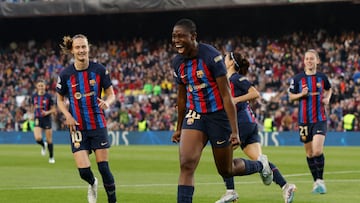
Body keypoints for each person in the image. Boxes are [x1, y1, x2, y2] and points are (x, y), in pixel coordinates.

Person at [171, 18, 273, 203]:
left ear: (193, 36)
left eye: (180, 36)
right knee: (186, 165)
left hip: (218, 116)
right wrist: (178, 127)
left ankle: (260, 165)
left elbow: (226, 96)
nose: (176, 40)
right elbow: (181, 97)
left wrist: (234, 131)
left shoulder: (211, 56)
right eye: (173, 36)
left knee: (226, 170)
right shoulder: (177, 62)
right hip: (196, 114)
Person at [215, 52, 296, 203]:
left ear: (231, 63)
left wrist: (235, 100)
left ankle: (230, 191)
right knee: (259, 160)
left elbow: (255, 93)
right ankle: (286, 186)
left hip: (241, 124)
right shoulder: (228, 80)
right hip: (249, 124)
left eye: (225, 58)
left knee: (222, 156)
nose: (222, 61)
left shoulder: (236, 78)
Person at [57, 34, 117, 203]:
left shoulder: (99, 70)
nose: (81, 50)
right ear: (72, 50)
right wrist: (67, 115)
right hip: (77, 127)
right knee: (84, 172)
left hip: (97, 124)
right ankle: (92, 183)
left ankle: (113, 200)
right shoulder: (66, 74)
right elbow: (59, 100)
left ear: (88, 48)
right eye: (77, 47)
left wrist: (107, 102)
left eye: (84, 47)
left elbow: (111, 94)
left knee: (104, 168)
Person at [288, 49, 332, 194]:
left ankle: (320, 181)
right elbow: (291, 97)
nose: (309, 61)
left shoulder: (322, 77)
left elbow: (329, 89)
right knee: (310, 154)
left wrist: (327, 98)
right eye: (307, 58)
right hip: (304, 121)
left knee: (318, 150)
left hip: (319, 119)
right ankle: (316, 183)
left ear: (317, 61)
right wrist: (301, 94)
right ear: (304, 61)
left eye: (312, 58)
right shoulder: (297, 79)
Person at [31, 79, 56, 163]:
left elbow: (54, 110)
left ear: (45, 87)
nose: (41, 87)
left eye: (42, 86)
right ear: (37, 87)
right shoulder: (34, 96)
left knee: (49, 140)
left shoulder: (48, 97)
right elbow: (32, 107)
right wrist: (31, 114)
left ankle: (51, 157)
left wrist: (47, 112)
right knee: (38, 138)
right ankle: (43, 145)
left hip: (47, 119)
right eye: (39, 86)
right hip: (37, 118)